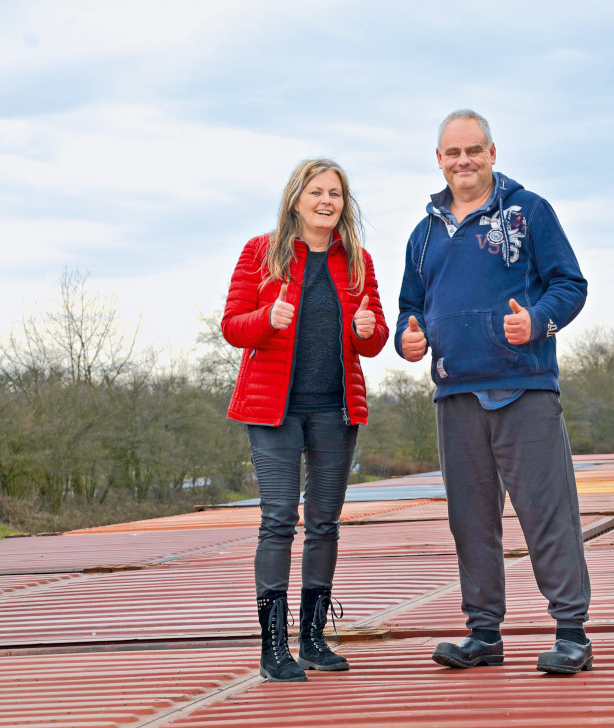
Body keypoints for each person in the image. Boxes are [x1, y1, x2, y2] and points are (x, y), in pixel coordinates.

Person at [395, 109, 592, 674]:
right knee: (470, 520)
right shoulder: (424, 233)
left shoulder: (530, 212)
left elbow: (570, 285)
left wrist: (537, 321)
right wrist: (407, 339)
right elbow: (411, 309)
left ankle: (572, 633)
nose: (464, 161)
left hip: (522, 387)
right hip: (455, 395)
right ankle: (483, 634)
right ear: (439, 160)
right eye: (453, 153)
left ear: (492, 153)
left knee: (546, 512)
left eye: (473, 150)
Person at [222, 158, 388, 682]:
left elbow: (376, 339)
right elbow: (232, 326)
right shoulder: (260, 253)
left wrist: (366, 328)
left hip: (335, 411)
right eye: (317, 191)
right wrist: (265, 320)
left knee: (324, 523)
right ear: (296, 198)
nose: (326, 201)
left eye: (335, 193)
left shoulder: (357, 261)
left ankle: (313, 639)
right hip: (273, 410)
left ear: (344, 203)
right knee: (277, 521)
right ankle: (274, 647)